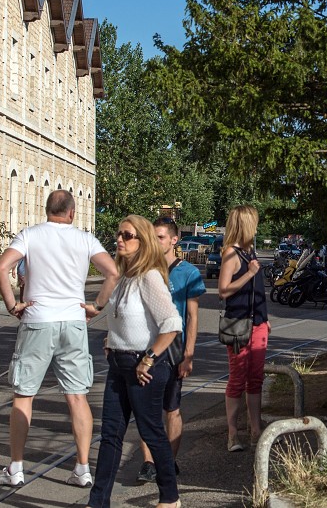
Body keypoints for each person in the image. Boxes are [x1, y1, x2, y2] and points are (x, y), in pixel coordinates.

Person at [0, 190, 118, 489]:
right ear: (72, 213)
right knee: (77, 396)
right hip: (73, 320)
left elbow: (1, 268)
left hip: (38, 319)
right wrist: (96, 305)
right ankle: (83, 468)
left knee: (24, 395)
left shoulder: (30, 235)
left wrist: (12, 306)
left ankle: (17, 467)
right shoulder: (85, 239)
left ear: (46, 210)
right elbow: (112, 272)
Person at [89, 215, 182, 508]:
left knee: (151, 432)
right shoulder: (123, 275)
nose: (120, 239)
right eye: (119, 234)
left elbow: (172, 323)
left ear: (142, 242)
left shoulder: (149, 276)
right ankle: (98, 501)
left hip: (145, 368)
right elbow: (123, 319)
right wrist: (111, 341)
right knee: (110, 436)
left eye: (127, 235)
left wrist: (149, 359)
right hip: (119, 364)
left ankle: (170, 497)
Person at [137, 216, 207, 483]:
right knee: (146, 409)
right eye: (152, 237)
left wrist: (188, 354)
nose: (155, 242)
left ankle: (169, 460)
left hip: (174, 349)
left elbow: (193, 316)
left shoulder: (188, 272)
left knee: (172, 408)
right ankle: (148, 462)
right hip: (146, 347)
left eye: (160, 237)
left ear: (174, 240)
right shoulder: (143, 269)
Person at [218, 205, 268, 451]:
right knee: (238, 377)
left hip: (258, 323)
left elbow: (258, 293)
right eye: (254, 222)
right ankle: (233, 433)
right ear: (246, 224)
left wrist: (265, 319)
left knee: (256, 378)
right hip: (238, 325)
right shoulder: (231, 253)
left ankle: (256, 430)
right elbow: (223, 290)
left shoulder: (251, 252)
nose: (257, 227)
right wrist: (249, 274)